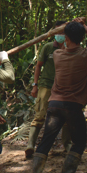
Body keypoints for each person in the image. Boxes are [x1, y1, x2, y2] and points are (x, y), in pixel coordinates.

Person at [30, 19, 87, 173]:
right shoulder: (86, 55)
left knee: (46, 140)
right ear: (82, 38)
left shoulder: (57, 55)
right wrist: (84, 28)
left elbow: (63, 44)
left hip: (54, 104)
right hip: (73, 106)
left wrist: (68, 28)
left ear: (66, 37)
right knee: (80, 142)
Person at [26, 21, 72, 159]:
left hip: (64, 87)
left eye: (63, 32)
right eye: (58, 32)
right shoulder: (47, 48)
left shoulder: (70, 48)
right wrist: (35, 85)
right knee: (39, 115)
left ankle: (67, 145)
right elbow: (38, 66)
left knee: (67, 116)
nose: (60, 35)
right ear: (53, 33)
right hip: (46, 85)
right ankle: (30, 145)